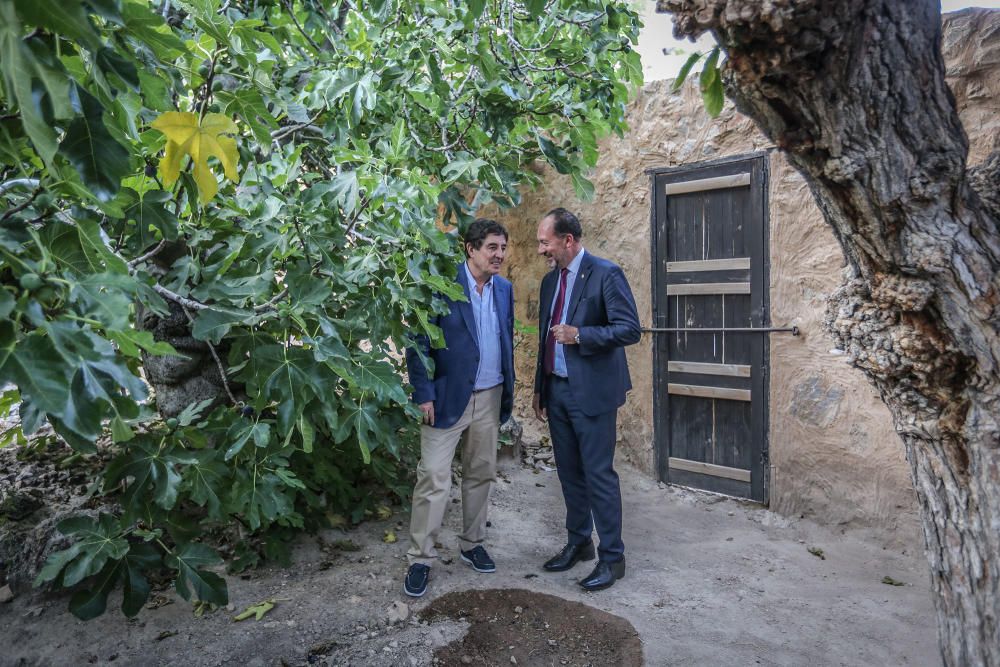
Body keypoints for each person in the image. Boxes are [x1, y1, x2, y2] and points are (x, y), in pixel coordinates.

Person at [402, 219, 515, 598]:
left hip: (491, 395)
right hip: (446, 397)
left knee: (481, 473)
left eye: (502, 248)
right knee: (433, 477)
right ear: (471, 248)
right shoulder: (442, 285)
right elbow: (418, 340)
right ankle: (420, 558)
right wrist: (424, 393)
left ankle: (473, 543)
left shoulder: (504, 290)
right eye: (492, 248)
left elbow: (505, 339)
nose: (499, 255)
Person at [532, 207, 641, 592]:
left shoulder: (606, 273)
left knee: (598, 475)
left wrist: (581, 336)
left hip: (593, 392)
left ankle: (613, 558)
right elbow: (545, 337)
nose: (541, 249)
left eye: (546, 242)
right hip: (558, 390)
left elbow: (630, 329)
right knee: (569, 473)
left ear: (568, 240)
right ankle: (579, 543)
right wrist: (540, 389)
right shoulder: (550, 283)